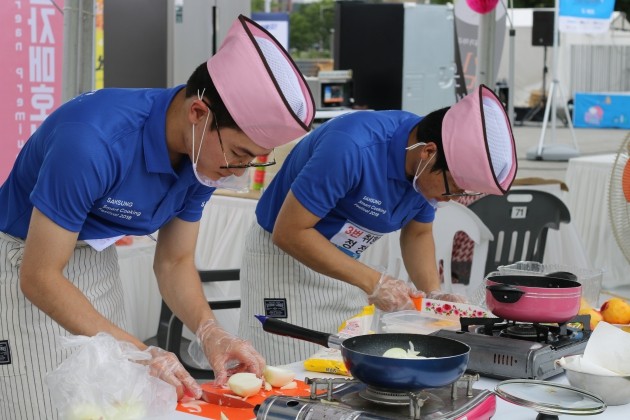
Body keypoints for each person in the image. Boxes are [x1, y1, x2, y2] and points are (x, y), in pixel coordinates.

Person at [0, 15, 314, 419]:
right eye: (239, 154)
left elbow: (174, 261)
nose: (240, 170)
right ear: (198, 113)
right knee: (42, 406)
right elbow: (40, 277)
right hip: (22, 266)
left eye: (254, 159)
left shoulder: (203, 156)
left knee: (112, 405)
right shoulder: (94, 141)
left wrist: (209, 330)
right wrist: (140, 349)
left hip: (96, 263)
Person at [239, 85, 517, 365]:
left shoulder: (424, 171)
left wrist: (434, 294)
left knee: (336, 366)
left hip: (343, 266)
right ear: (428, 153)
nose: (447, 199)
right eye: (451, 189)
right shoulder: (351, 147)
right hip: (283, 263)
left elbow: (418, 232)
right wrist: (375, 282)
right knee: (283, 368)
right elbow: (289, 233)